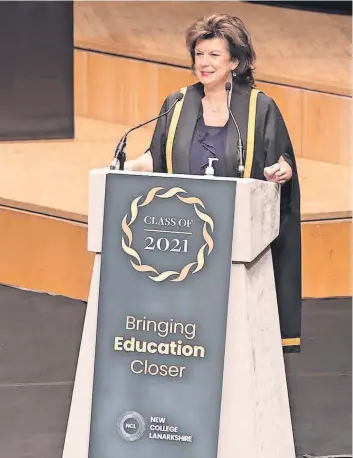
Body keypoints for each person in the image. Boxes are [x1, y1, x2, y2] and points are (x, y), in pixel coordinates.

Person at [125, 14, 302, 353]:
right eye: (199, 54)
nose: (203, 63)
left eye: (214, 55)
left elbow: (281, 162)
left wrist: (283, 171)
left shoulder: (258, 107)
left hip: (236, 235)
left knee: (230, 338)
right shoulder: (178, 103)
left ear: (235, 61)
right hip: (184, 234)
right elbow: (158, 157)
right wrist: (126, 166)